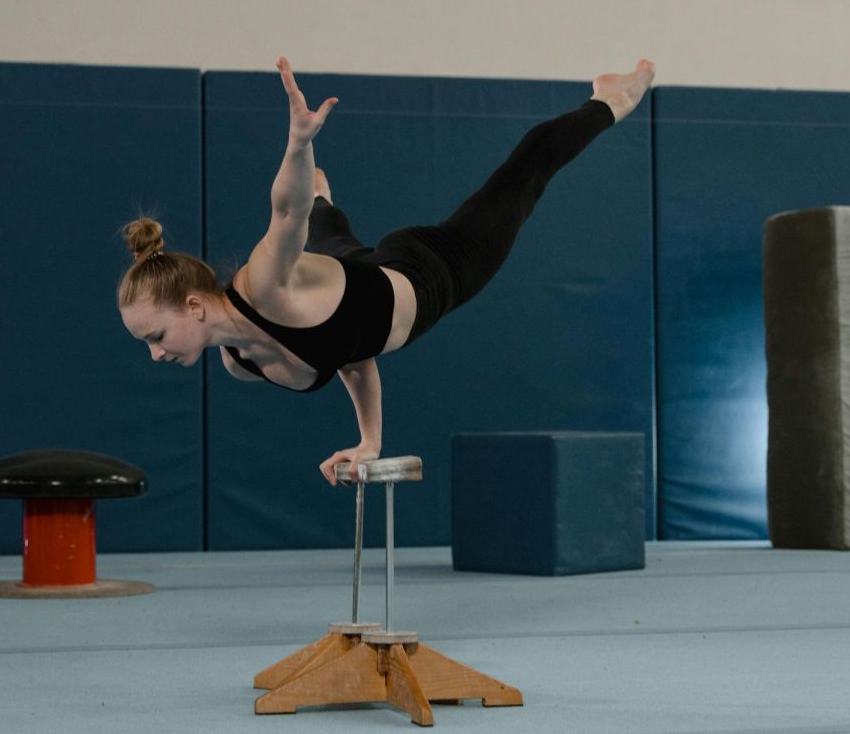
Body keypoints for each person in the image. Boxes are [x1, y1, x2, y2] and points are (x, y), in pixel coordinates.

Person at [119, 56, 654, 484]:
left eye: (156, 335)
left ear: (193, 305)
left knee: (523, 175)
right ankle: (326, 205)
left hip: (428, 271)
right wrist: (369, 442)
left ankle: (610, 98)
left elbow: (286, 210)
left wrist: (299, 145)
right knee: (334, 249)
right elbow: (352, 355)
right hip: (355, 284)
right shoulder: (239, 362)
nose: (156, 352)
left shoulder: (262, 284)